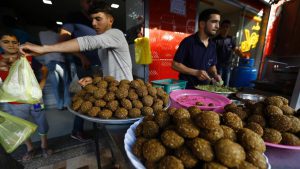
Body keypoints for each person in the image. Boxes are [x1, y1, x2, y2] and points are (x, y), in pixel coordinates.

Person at [19, 0, 133, 139]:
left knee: (122, 136)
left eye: (98, 19)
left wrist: (45, 49)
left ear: (110, 20)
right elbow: (110, 72)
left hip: (125, 95)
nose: (93, 24)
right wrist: (95, 79)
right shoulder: (103, 46)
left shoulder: (116, 33)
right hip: (112, 93)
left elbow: (88, 42)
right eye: (92, 20)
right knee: (111, 135)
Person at [0, 32, 52, 161]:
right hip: (15, 102)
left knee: (41, 121)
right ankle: (30, 148)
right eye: (6, 41)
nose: (11, 45)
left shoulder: (26, 58)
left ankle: (44, 145)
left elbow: (44, 68)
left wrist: (43, 82)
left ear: (18, 44)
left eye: (14, 42)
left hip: (34, 99)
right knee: (21, 126)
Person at [59, 0, 101, 142]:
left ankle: (100, 125)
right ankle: (77, 130)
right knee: (84, 96)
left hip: (100, 66)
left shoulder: (98, 19)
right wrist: (81, 56)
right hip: (85, 66)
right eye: (87, 1)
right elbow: (63, 40)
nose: (91, 3)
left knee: (101, 95)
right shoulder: (74, 18)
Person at [172, 8, 222, 89]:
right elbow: (175, 65)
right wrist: (196, 72)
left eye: (218, 22)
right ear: (202, 24)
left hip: (205, 89)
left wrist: (215, 75)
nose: (217, 26)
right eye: (214, 22)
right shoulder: (188, 42)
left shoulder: (212, 45)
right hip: (187, 90)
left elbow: (212, 65)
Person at [39, 21, 71, 110]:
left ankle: (59, 105)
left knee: (55, 85)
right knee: (65, 84)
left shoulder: (41, 34)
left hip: (49, 62)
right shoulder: (58, 36)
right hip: (60, 61)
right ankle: (67, 104)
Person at [213, 20, 236, 86]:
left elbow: (235, 49)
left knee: (226, 83)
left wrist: (243, 55)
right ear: (220, 28)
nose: (225, 28)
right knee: (218, 83)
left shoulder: (231, 39)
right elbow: (211, 54)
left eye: (227, 27)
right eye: (224, 27)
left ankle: (225, 95)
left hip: (228, 65)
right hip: (218, 65)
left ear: (229, 28)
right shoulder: (215, 40)